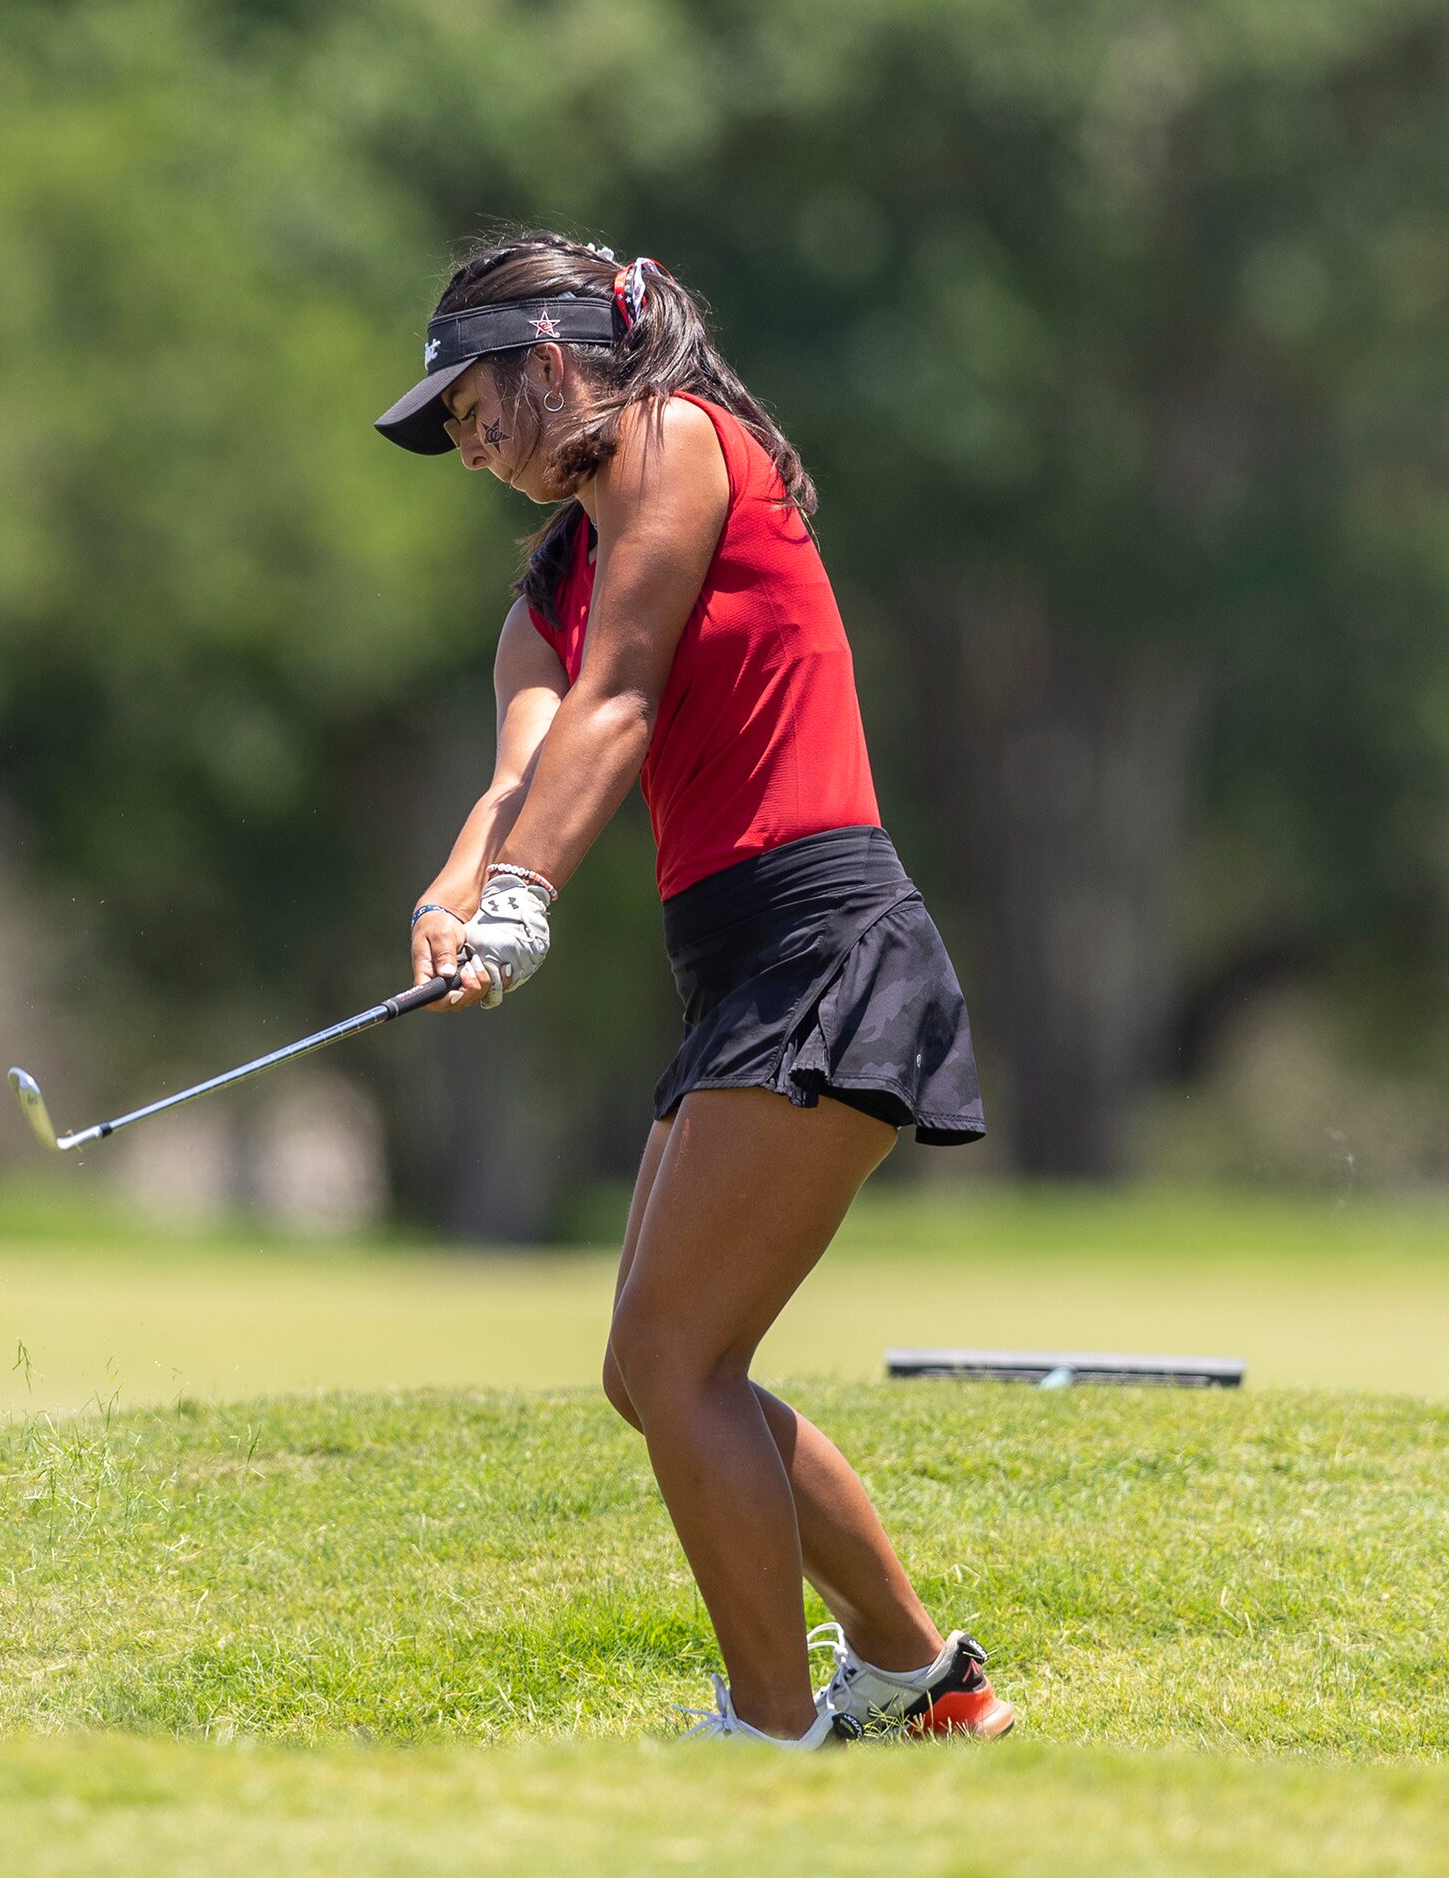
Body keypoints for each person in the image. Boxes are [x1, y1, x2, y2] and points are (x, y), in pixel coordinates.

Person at [374, 233, 1014, 1747]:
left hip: (826, 939)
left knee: (676, 1358)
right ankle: (922, 1677)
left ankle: (772, 1731)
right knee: (649, 1368)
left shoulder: (676, 440)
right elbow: (528, 756)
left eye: (471, 407)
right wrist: (457, 890)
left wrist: (528, 896)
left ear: (551, 361)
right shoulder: (557, 573)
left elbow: (624, 694)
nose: (466, 447)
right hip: (734, 965)